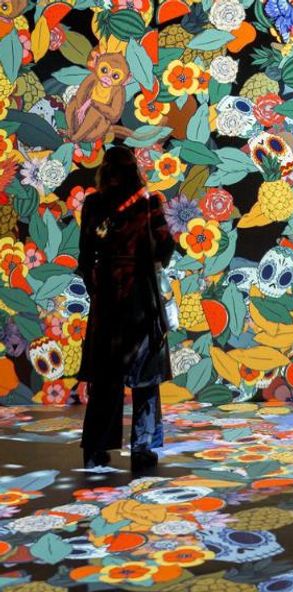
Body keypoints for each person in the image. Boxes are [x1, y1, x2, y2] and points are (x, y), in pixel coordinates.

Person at [77, 145, 175, 473]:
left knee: (105, 377)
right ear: (135, 170)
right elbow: (165, 247)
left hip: (107, 298)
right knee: (145, 377)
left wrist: (98, 290)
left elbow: (84, 256)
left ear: (105, 170)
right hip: (140, 297)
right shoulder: (149, 203)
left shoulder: (93, 203)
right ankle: (141, 450)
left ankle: (95, 450)